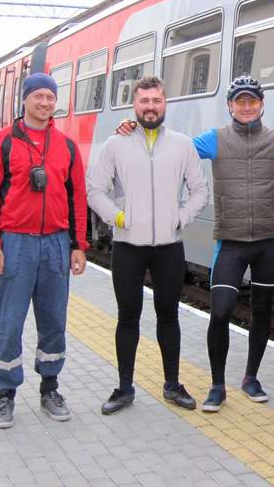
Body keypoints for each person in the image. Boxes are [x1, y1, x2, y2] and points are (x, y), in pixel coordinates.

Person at [115, 75, 274, 412]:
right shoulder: (213, 140)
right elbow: (172, 147)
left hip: (269, 242)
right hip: (230, 241)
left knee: (262, 311)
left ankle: (251, 378)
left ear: (261, 105)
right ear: (230, 106)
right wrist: (132, 129)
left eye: (252, 101)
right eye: (240, 101)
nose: (246, 107)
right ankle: (217, 385)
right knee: (221, 312)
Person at [87, 76, 209, 414]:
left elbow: (200, 190)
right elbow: (95, 189)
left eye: (156, 101)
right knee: (128, 318)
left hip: (169, 247)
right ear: (135, 106)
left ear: (165, 103)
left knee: (168, 317)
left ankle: (172, 384)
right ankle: (124, 388)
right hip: (128, 246)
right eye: (144, 102)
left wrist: (181, 217)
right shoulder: (116, 144)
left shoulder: (183, 145)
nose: (150, 107)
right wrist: (119, 218)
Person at [0, 73, 88, 429]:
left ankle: (50, 389)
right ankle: (5, 395)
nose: (45, 103)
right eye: (38, 96)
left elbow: (78, 200)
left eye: (50, 97)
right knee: (9, 322)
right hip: (16, 243)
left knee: (54, 321)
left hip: (57, 243)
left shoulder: (67, 147)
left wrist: (78, 245)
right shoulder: (2, 143)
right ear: (24, 100)